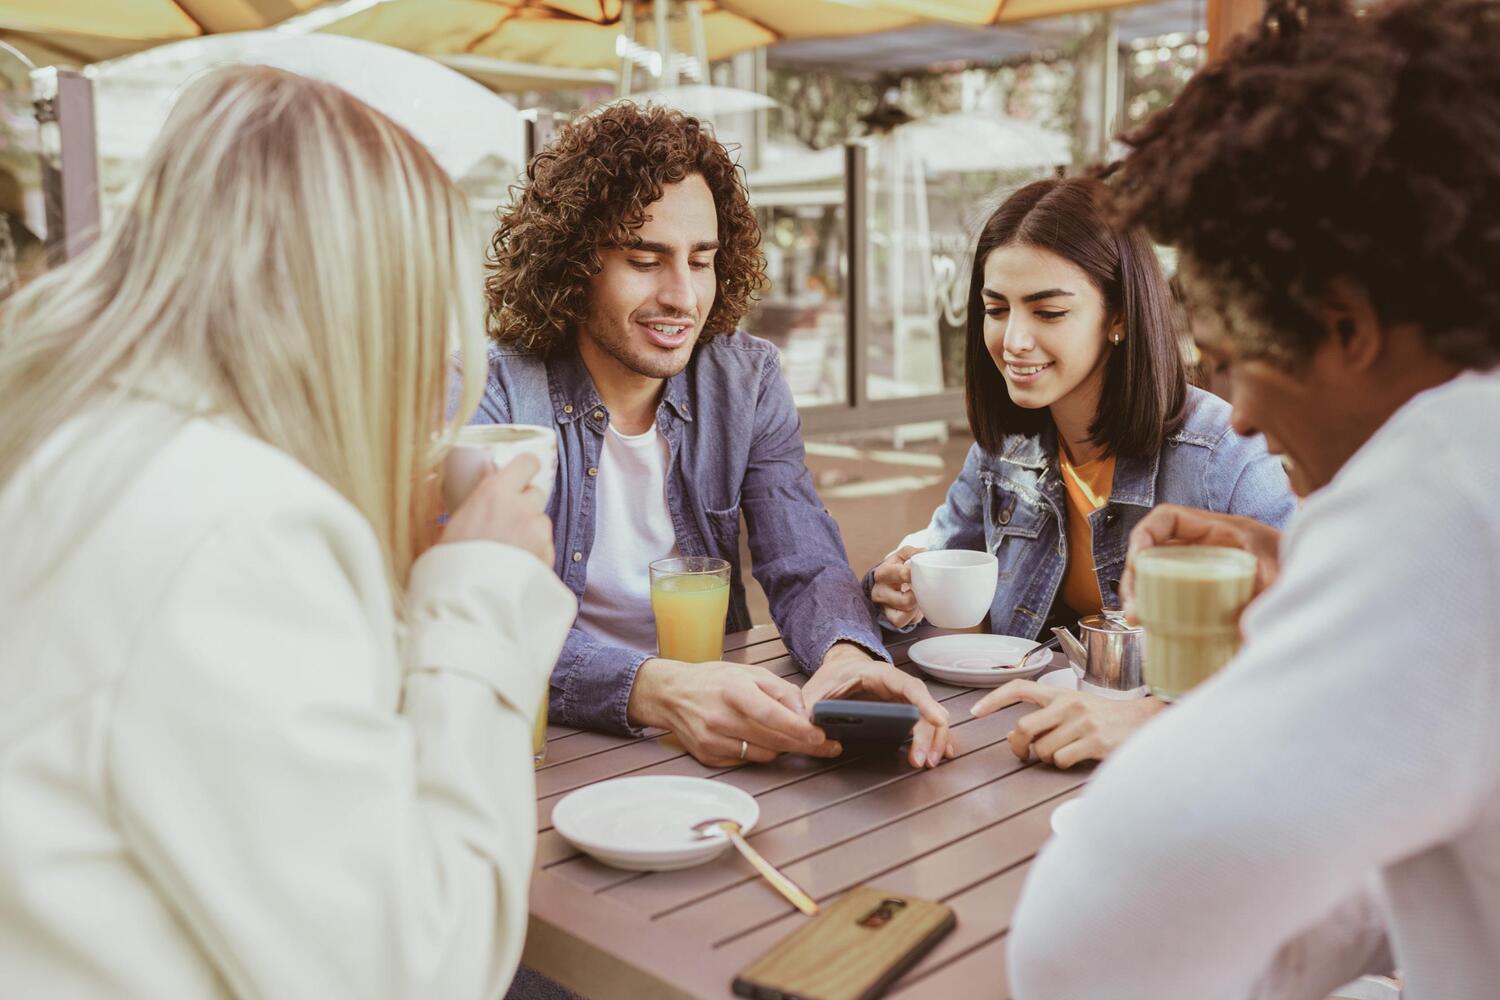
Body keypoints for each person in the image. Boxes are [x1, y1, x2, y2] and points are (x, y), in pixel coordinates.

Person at [0, 67, 573, 998]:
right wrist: (481, 596)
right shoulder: (228, 528)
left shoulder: (87, 452)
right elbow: (423, 970)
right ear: (366, 303)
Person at [1009, 2, 1500, 997]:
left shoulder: (1451, 491)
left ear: (1345, 327)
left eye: (1237, 361)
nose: (1237, 417)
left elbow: (1082, 954)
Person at [478, 103, 952, 770]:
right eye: (646, 259)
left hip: (716, 741)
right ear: (574, 264)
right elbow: (482, 613)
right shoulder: (495, 390)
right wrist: (657, 689)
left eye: (701, 261)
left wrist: (848, 655)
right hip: (541, 747)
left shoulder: (744, 379)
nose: (683, 296)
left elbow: (803, 556)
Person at [868, 177, 1294, 768]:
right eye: (996, 309)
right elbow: (940, 552)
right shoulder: (1008, 447)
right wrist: (895, 585)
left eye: (1048, 311)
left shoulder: (1228, 455)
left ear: (1118, 316)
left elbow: (1313, 661)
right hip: (1027, 750)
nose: (1013, 340)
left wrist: (1152, 720)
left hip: (1184, 769)